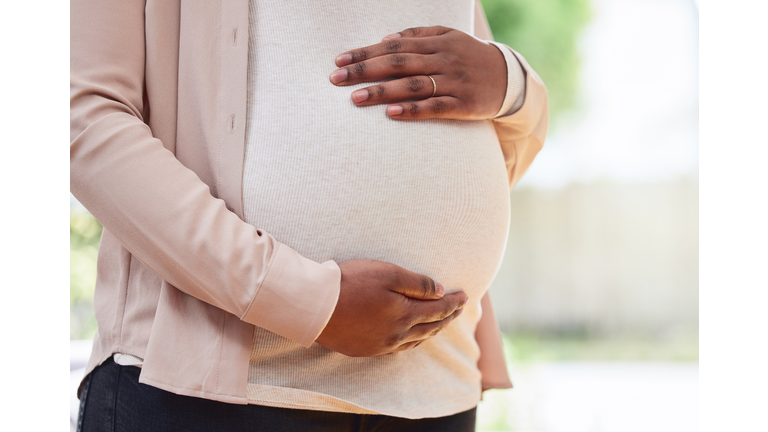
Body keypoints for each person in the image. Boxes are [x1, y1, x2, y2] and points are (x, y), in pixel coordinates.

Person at [71, 0, 548, 430]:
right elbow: (83, 117)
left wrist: (514, 85)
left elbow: (493, 131)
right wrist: (306, 300)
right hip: (215, 397)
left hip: (434, 386)